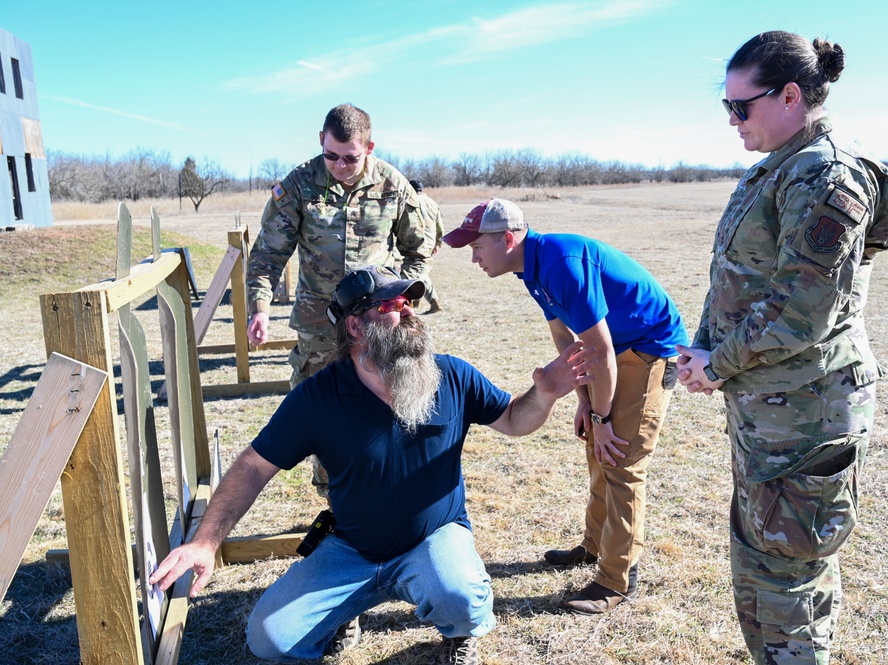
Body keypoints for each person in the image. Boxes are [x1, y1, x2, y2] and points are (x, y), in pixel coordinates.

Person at [150, 265, 595, 665]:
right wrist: (205, 543)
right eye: (390, 304)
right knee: (268, 639)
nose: (406, 312)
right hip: (352, 548)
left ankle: (457, 635)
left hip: (433, 538)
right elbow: (252, 467)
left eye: (407, 302)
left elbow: (516, 420)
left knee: (461, 599)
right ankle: (344, 614)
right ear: (355, 326)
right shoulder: (317, 398)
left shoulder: (452, 375)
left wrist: (546, 394)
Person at [675, 31, 888, 664]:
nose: (731, 121)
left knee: (789, 576)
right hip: (767, 408)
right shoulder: (775, 170)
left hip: (806, 412)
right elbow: (736, 279)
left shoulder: (827, 175)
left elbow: (804, 310)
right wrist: (702, 353)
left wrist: (716, 363)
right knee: (762, 565)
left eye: (740, 107)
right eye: (727, 107)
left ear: (791, 95)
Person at [442, 199, 689, 615]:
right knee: (597, 449)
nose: (473, 258)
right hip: (613, 351)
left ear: (507, 239)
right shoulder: (531, 267)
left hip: (648, 351)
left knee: (622, 461)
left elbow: (601, 350)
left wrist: (603, 416)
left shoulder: (559, 263)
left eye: (477, 247)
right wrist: (586, 401)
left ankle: (615, 580)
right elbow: (568, 342)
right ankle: (594, 547)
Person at [244, 103, 437, 499]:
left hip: (378, 321)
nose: (340, 164)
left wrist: (402, 295)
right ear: (321, 141)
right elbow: (267, 255)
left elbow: (420, 249)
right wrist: (259, 309)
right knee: (322, 409)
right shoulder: (299, 184)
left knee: (384, 399)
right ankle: (334, 499)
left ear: (369, 147)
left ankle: (384, 490)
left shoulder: (392, 184)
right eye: (331, 155)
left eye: (350, 157)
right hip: (320, 322)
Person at [409, 179, 445, 313]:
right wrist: (437, 242)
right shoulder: (432, 203)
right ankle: (425, 301)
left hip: (414, 243)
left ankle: (420, 300)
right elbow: (439, 226)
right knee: (420, 270)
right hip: (429, 243)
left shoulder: (409, 200)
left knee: (416, 273)